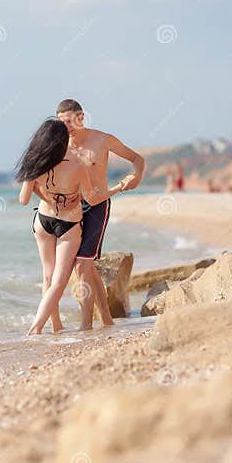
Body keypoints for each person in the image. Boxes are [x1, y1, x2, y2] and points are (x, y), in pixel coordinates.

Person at [16, 118, 125, 335]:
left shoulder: (35, 165)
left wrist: (48, 197)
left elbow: (23, 199)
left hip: (43, 221)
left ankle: (55, 327)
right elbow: (92, 200)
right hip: (68, 224)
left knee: (48, 277)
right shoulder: (77, 168)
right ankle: (36, 328)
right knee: (59, 282)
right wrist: (118, 188)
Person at [56, 99, 145, 330]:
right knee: (87, 265)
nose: (65, 127)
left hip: (98, 206)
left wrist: (135, 177)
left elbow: (138, 159)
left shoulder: (102, 140)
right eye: (61, 122)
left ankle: (85, 327)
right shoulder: (60, 145)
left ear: (81, 117)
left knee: (82, 265)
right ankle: (106, 319)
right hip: (72, 209)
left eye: (69, 121)